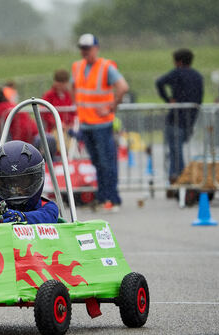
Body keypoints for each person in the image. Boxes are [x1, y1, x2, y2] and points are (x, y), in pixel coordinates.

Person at [71, 33, 129, 212]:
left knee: (107, 162)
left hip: (102, 125)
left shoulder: (106, 67)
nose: (85, 52)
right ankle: (103, 196)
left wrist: (110, 107)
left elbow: (123, 87)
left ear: (96, 48)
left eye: (88, 49)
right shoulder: (77, 67)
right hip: (86, 123)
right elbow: (75, 87)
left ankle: (112, 198)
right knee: (97, 162)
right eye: (82, 49)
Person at [156, 48, 204, 185]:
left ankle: (179, 177)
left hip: (175, 118)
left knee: (175, 152)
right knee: (178, 150)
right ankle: (176, 178)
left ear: (178, 62)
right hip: (190, 119)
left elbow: (159, 82)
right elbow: (199, 99)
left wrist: (168, 99)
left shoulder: (177, 73)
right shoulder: (198, 76)